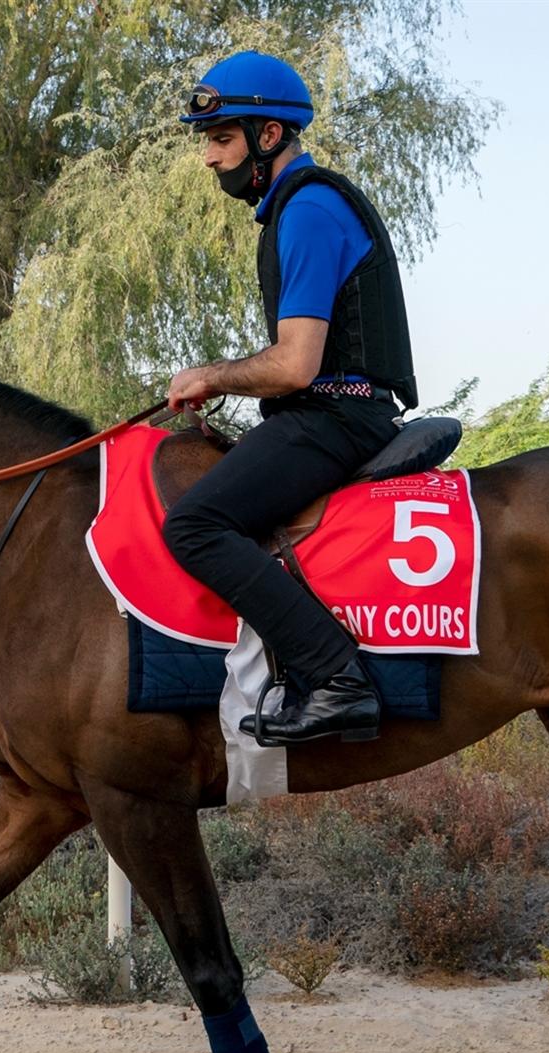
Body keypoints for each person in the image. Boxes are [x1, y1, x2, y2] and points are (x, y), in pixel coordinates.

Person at [162, 51, 418, 746]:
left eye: (221, 139)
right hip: (335, 411)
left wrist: (211, 375)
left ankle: (337, 680)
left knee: (193, 525)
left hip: (336, 415)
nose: (209, 158)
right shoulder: (297, 206)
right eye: (207, 142)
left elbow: (297, 365)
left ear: (268, 137)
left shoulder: (308, 210)